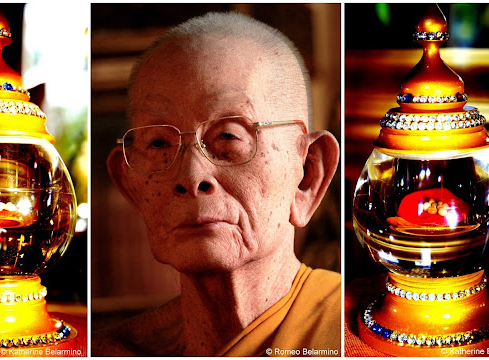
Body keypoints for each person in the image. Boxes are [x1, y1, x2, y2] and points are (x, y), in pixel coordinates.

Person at [95, 11, 340, 356]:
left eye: (228, 136)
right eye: (159, 144)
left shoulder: (363, 340)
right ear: (131, 186)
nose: (191, 178)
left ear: (308, 176)